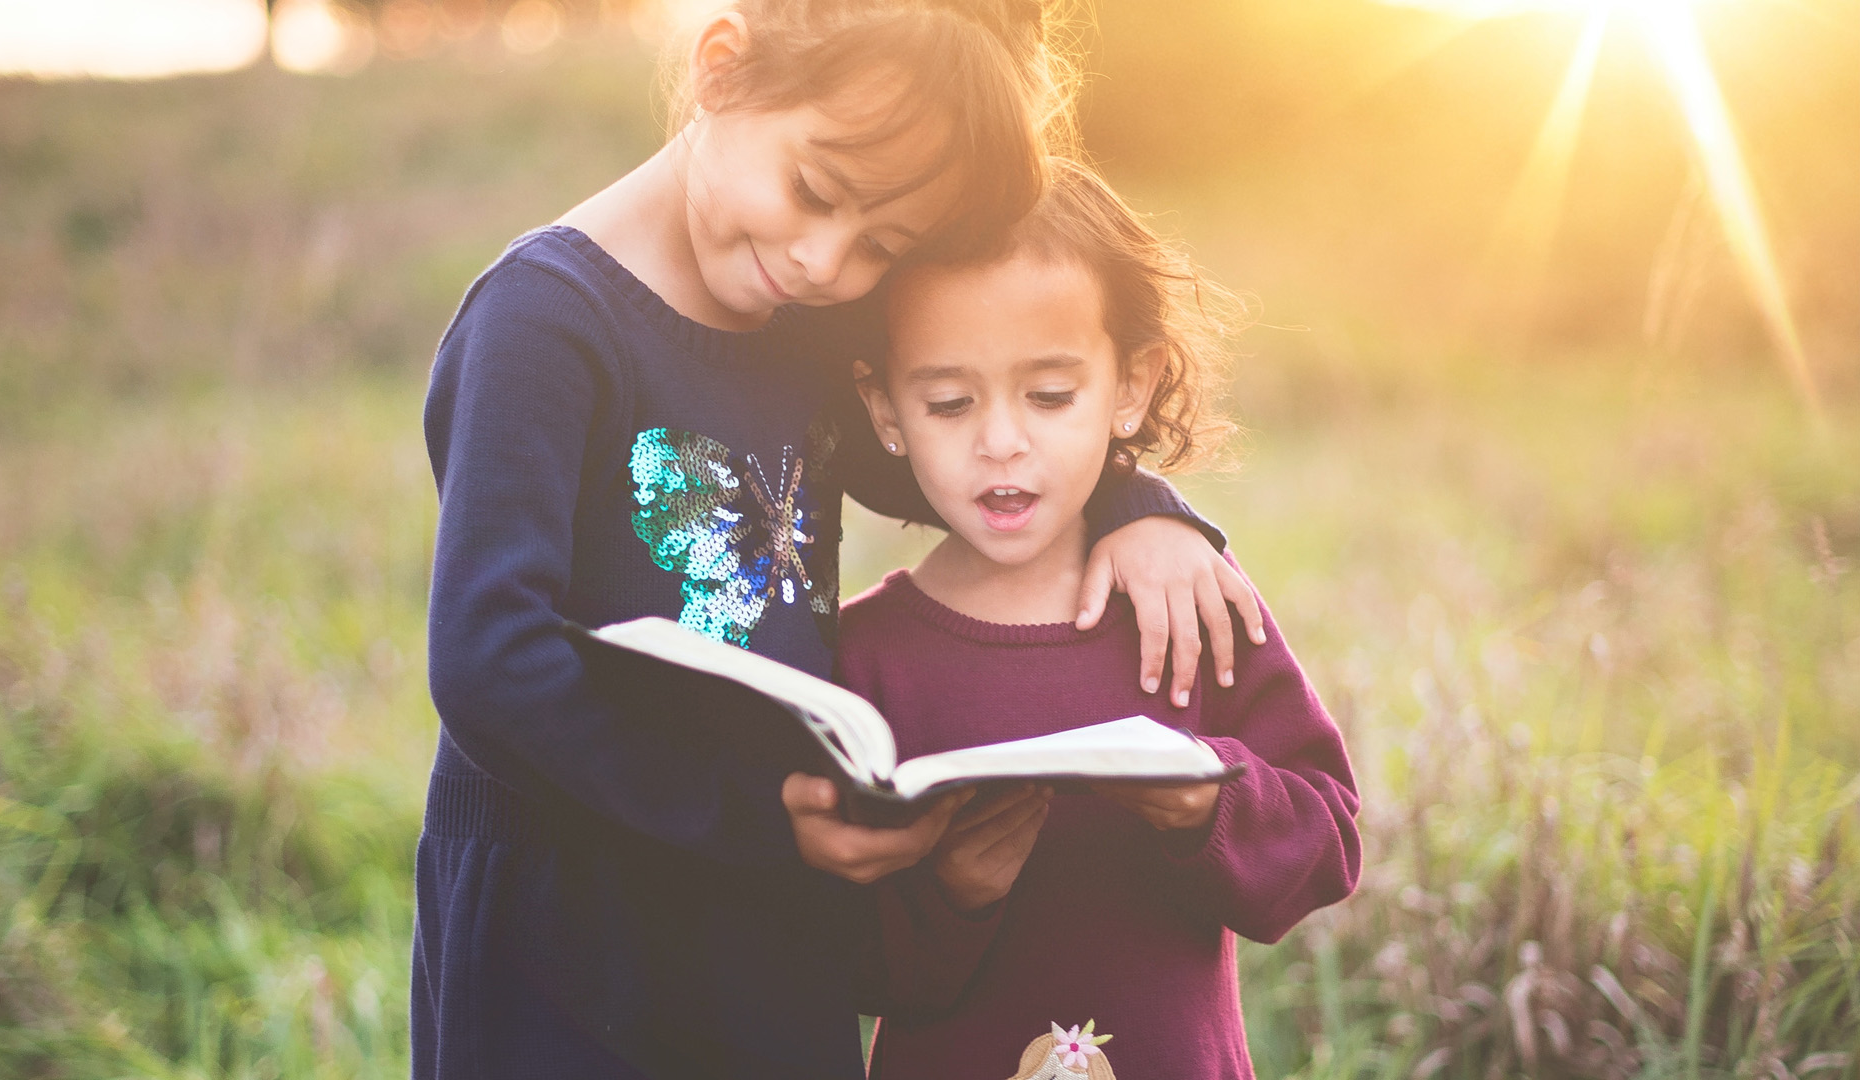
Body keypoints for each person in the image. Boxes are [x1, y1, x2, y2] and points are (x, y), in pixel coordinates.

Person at [412, 4, 1266, 1078]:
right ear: (722, 68)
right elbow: (489, 664)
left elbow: (979, 473)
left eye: (883, 247)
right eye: (815, 192)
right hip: (570, 919)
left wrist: (1147, 513)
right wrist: (761, 821)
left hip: (767, 910)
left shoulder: (801, 332)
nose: (825, 261)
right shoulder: (544, 323)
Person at [842, 159, 1362, 1079]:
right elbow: (838, 959)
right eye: (949, 402)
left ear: (1129, 386)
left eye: (1049, 396)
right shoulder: (866, 658)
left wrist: (1210, 798)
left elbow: (1327, 843)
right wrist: (950, 892)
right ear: (885, 407)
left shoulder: (1184, 601)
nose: (1001, 440)